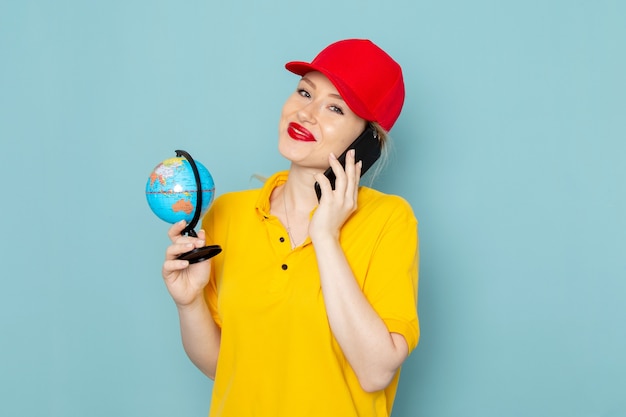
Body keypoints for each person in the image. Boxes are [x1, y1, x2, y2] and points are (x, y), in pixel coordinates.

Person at [162, 39, 419, 417]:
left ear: (366, 142)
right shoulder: (228, 213)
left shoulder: (389, 220)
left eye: (335, 107)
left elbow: (375, 371)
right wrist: (188, 303)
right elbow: (224, 366)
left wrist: (326, 236)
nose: (306, 113)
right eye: (304, 92)